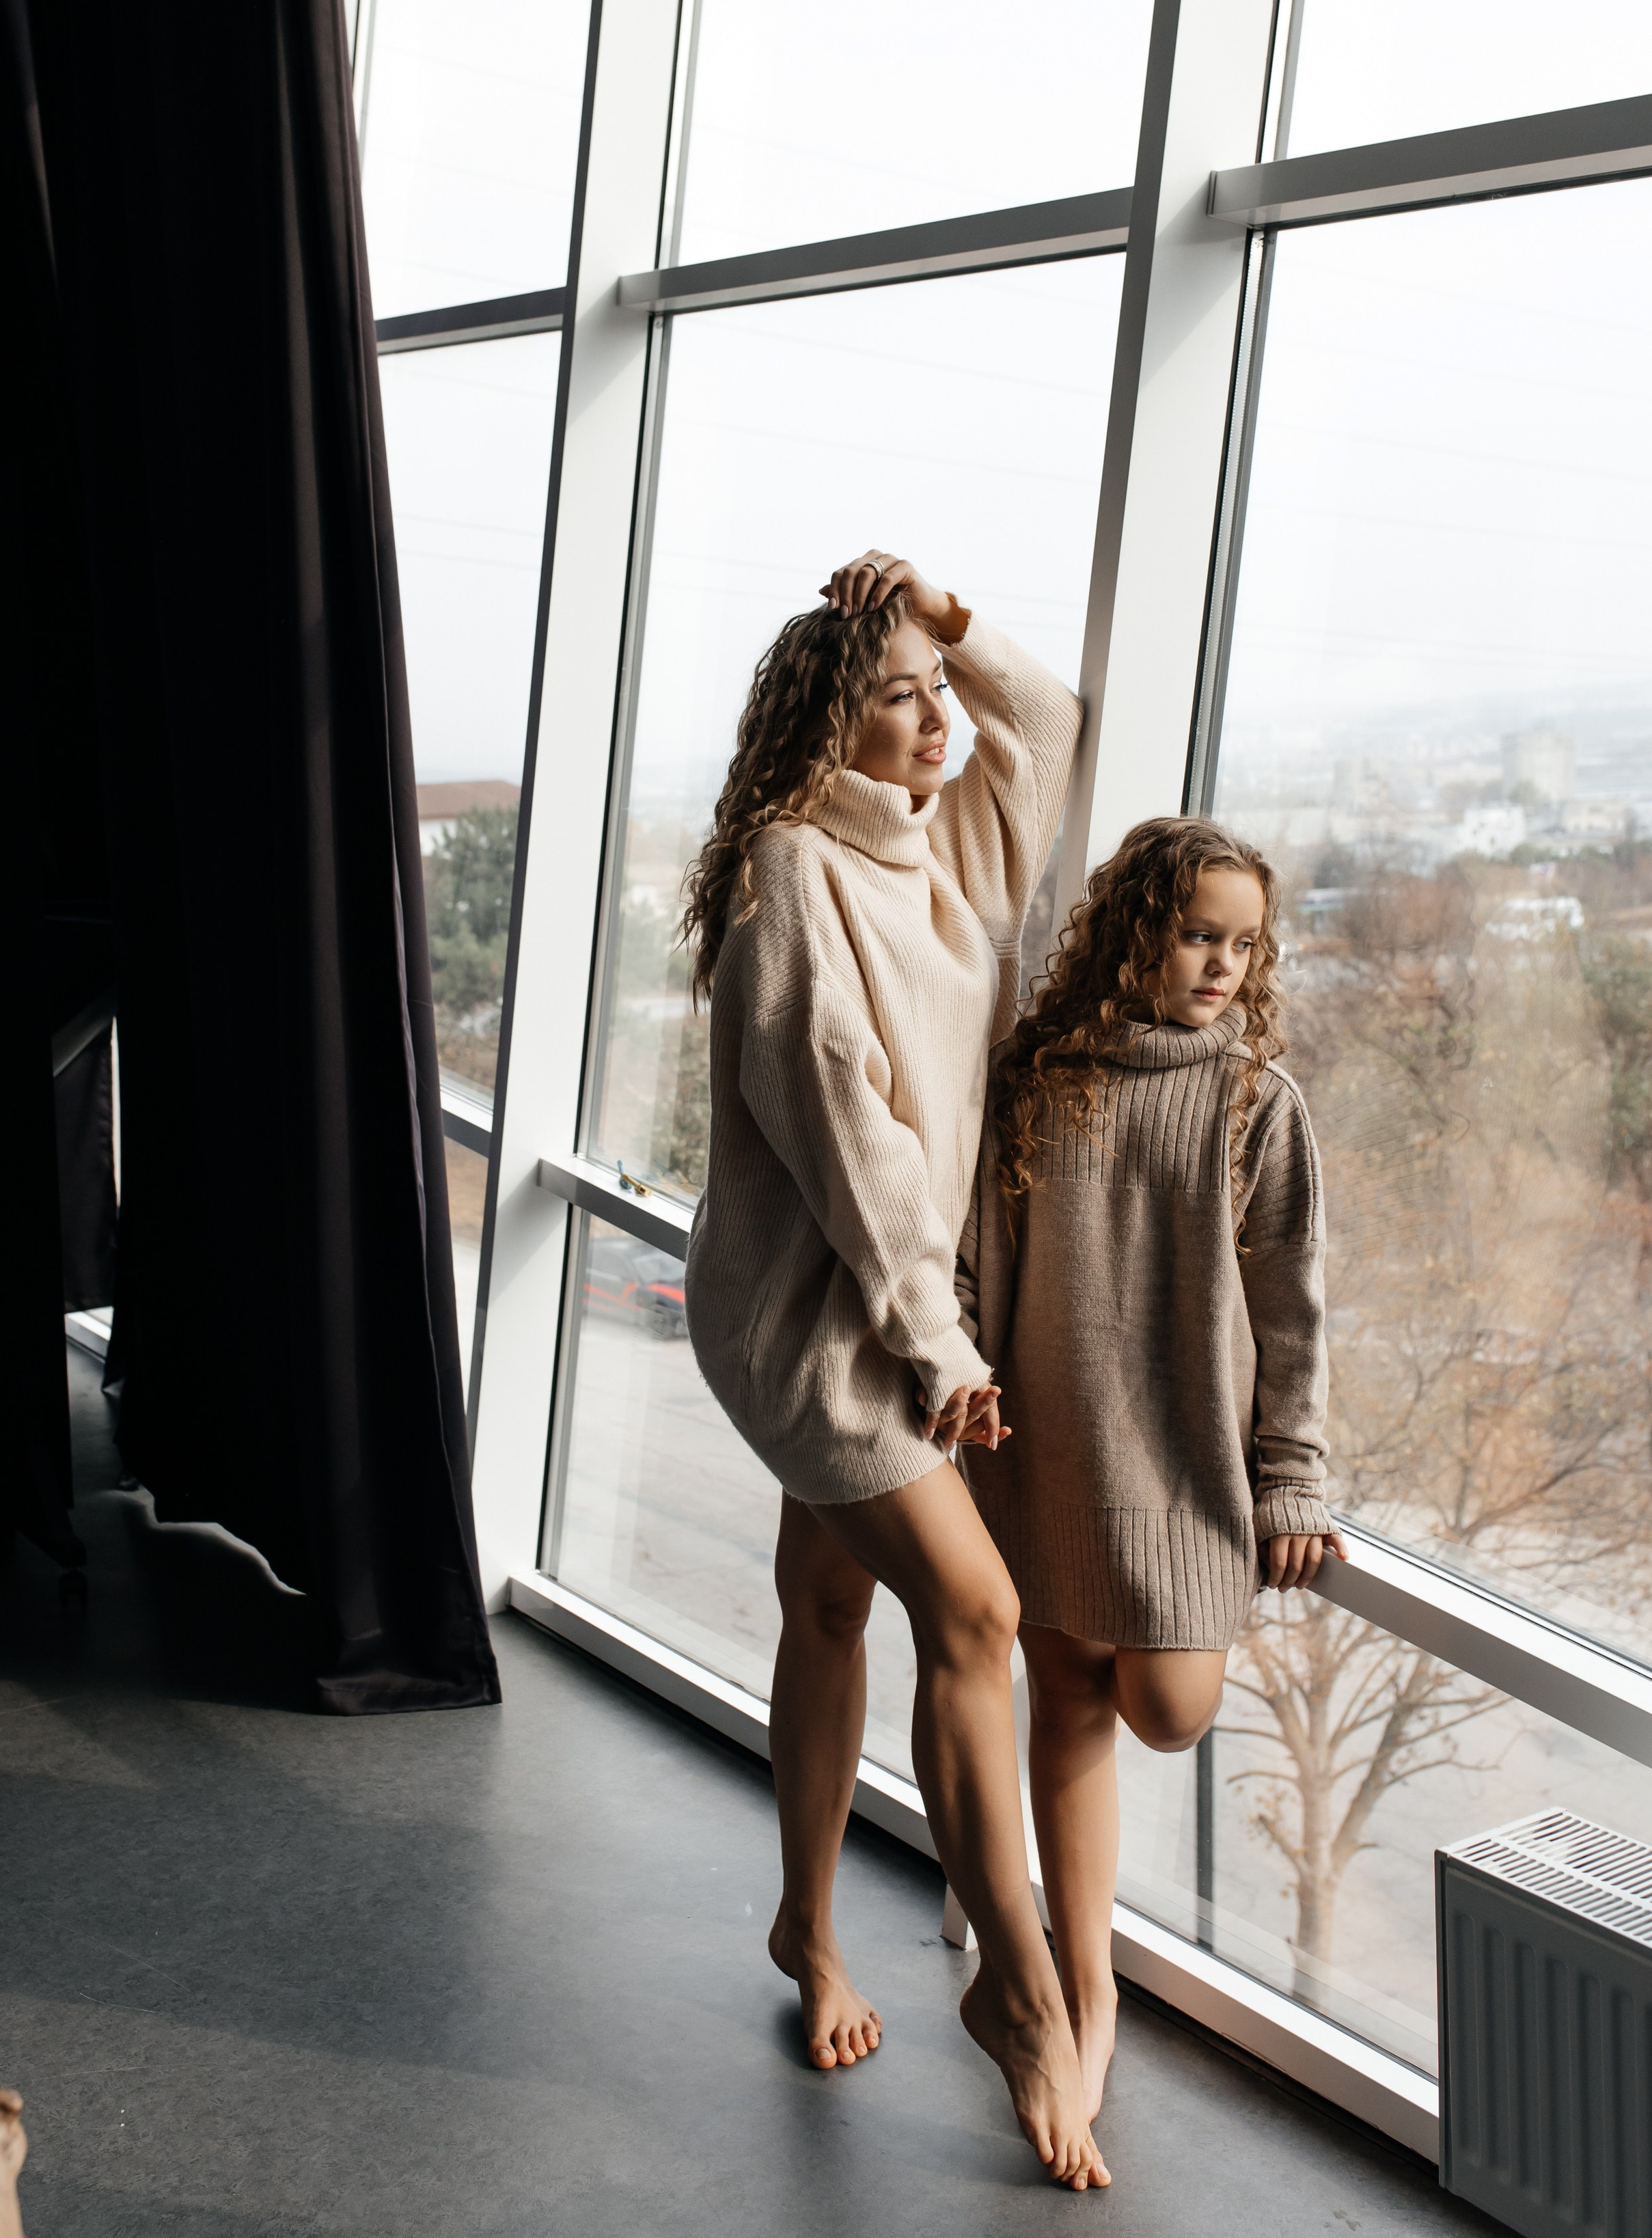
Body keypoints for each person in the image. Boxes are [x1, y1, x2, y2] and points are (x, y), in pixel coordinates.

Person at [681, 550, 1107, 2187]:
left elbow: (1047, 719)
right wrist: (937, 1351)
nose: (934, 721)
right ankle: (1015, 1984)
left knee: (828, 1606)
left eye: (935, 697)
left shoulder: (959, 851)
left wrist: (937, 612)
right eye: (892, 699)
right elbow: (847, 1139)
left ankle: (805, 1927)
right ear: (822, 727)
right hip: (817, 1324)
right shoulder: (792, 872)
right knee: (979, 1611)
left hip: (909, 1309)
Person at [956, 815, 1347, 2116]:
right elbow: (968, 1256)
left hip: (1184, 1464)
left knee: (1169, 1711)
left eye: (1243, 944)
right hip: (1046, 1444)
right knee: (1064, 1705)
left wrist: (1292, 1479)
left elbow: (1291, 1312)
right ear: (1135, 934)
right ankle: (1086, 1989)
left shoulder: (1256, 1105)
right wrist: (955, 1370)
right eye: (1196, 935)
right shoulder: (1035, 1077)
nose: (1223, 965)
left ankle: (1083, 1986)